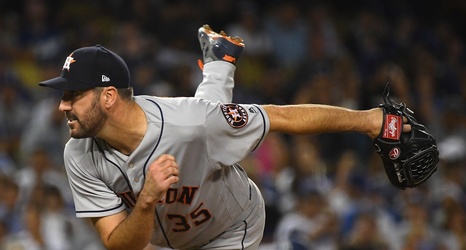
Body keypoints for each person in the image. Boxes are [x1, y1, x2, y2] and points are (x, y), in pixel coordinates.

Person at [38, 24, 402, 250]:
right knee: (207, 124)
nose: (62, 106)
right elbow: (119, 244)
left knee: (205, 125)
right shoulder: (79, 154)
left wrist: (372, 121)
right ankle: (219, 63)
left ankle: (219, 65)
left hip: (231, 228)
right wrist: (146, 201)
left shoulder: (189, 124)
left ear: (108, 96)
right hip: (167, 237)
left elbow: (279, 117)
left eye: (72, 95)